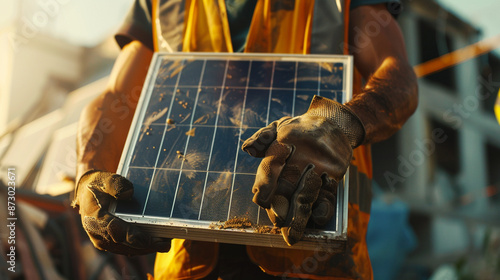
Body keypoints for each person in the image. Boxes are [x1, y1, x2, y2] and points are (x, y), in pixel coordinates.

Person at [72, 0, 418, 279]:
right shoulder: (163, 5)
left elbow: (398, 78)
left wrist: (337, 125)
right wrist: (88, 175)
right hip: (187, 264)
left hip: (312, 257)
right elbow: (116, 98)